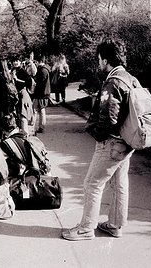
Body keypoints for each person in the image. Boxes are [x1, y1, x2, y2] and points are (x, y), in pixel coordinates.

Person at [61, 39, 135, 241]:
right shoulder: (130, 78)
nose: (98, 63)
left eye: (99, 59)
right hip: (127, 142)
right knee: (120, 183)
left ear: (105, 59)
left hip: (111, 143)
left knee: (92, 183)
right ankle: (115, 225)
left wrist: (99, 136)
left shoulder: (113, 82)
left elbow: (109, 117)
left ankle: (86, 229)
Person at [11, 56, 34, 134]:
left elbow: (28, 82)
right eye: (14, 61)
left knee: (23, 115)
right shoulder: (13, 70)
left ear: (20, 62)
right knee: (18, 115)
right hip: (16, 95)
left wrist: (17, 79)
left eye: (17, 60)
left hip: (22, 94)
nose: (15, 62)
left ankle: (25, 134)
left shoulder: (22, 71)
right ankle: (21, 133)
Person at [31, 54, 51, 134]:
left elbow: (40, 83)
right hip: (43, 93)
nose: (36, 63)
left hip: (41, 94)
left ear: (40, 62)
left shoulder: (42, 70)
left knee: (37, 110)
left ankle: (38, 127)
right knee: (40, 110)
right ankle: (40, 126)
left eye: (36, 62)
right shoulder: (45, 69)